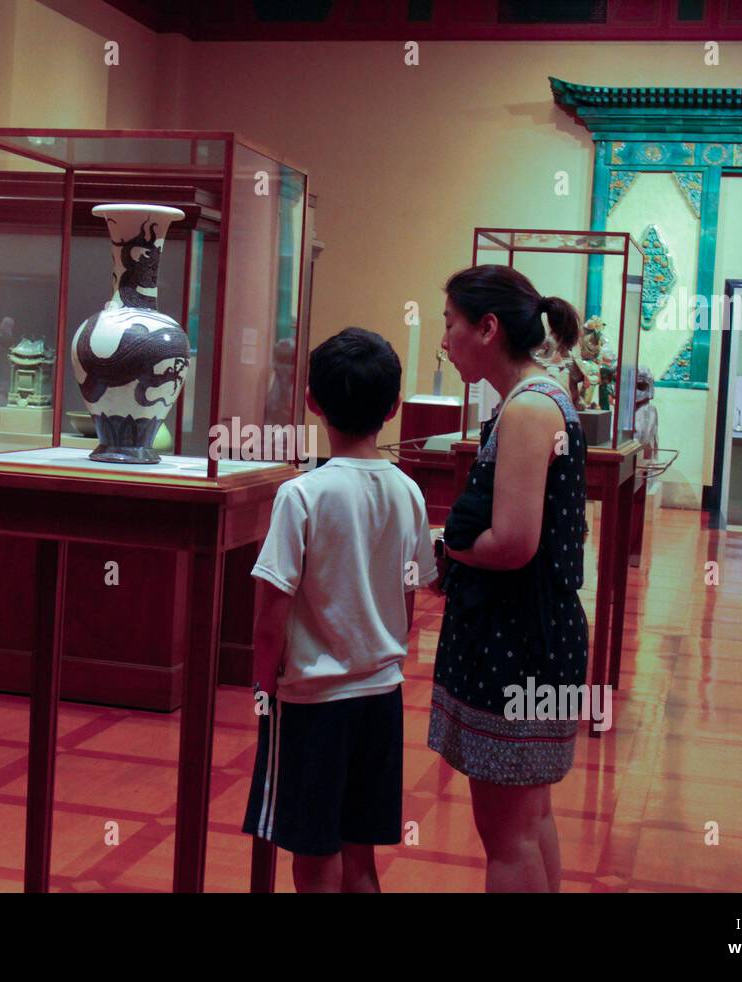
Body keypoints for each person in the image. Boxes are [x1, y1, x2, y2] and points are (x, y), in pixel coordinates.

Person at [242, 327, 437, 893]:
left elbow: (271, 609)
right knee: (360, 857)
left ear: (311, 401)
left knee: (312, 856)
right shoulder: (408, 491)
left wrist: (264, 684)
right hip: (381, 693)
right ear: (395, 407)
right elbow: (407, 598)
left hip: (311, 700)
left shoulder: (302, 494)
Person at [429, 265, 589, 893]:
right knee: (529, 818)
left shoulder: (526, 409)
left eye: (450, 324)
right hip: (531, 637)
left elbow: (513, 544)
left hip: (517, 641)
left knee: (507, 834)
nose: (444, 340)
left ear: (487, 327)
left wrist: (447, 549)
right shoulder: (537, 397)